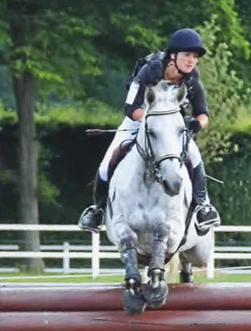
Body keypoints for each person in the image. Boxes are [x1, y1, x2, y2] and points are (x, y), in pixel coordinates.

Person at [78, 28, 221, 234]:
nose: (192, 61)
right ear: (173, 55)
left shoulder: (192, 77)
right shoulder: (150, 70)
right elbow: (131, 107)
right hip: (137, 121)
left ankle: (203, 207)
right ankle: (97, 210)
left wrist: (197, 124)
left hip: (171, 127)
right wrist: (151, 123)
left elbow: (202, 113)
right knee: (106, 162)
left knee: (195, 157)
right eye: (187, 55)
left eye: (195, 57)